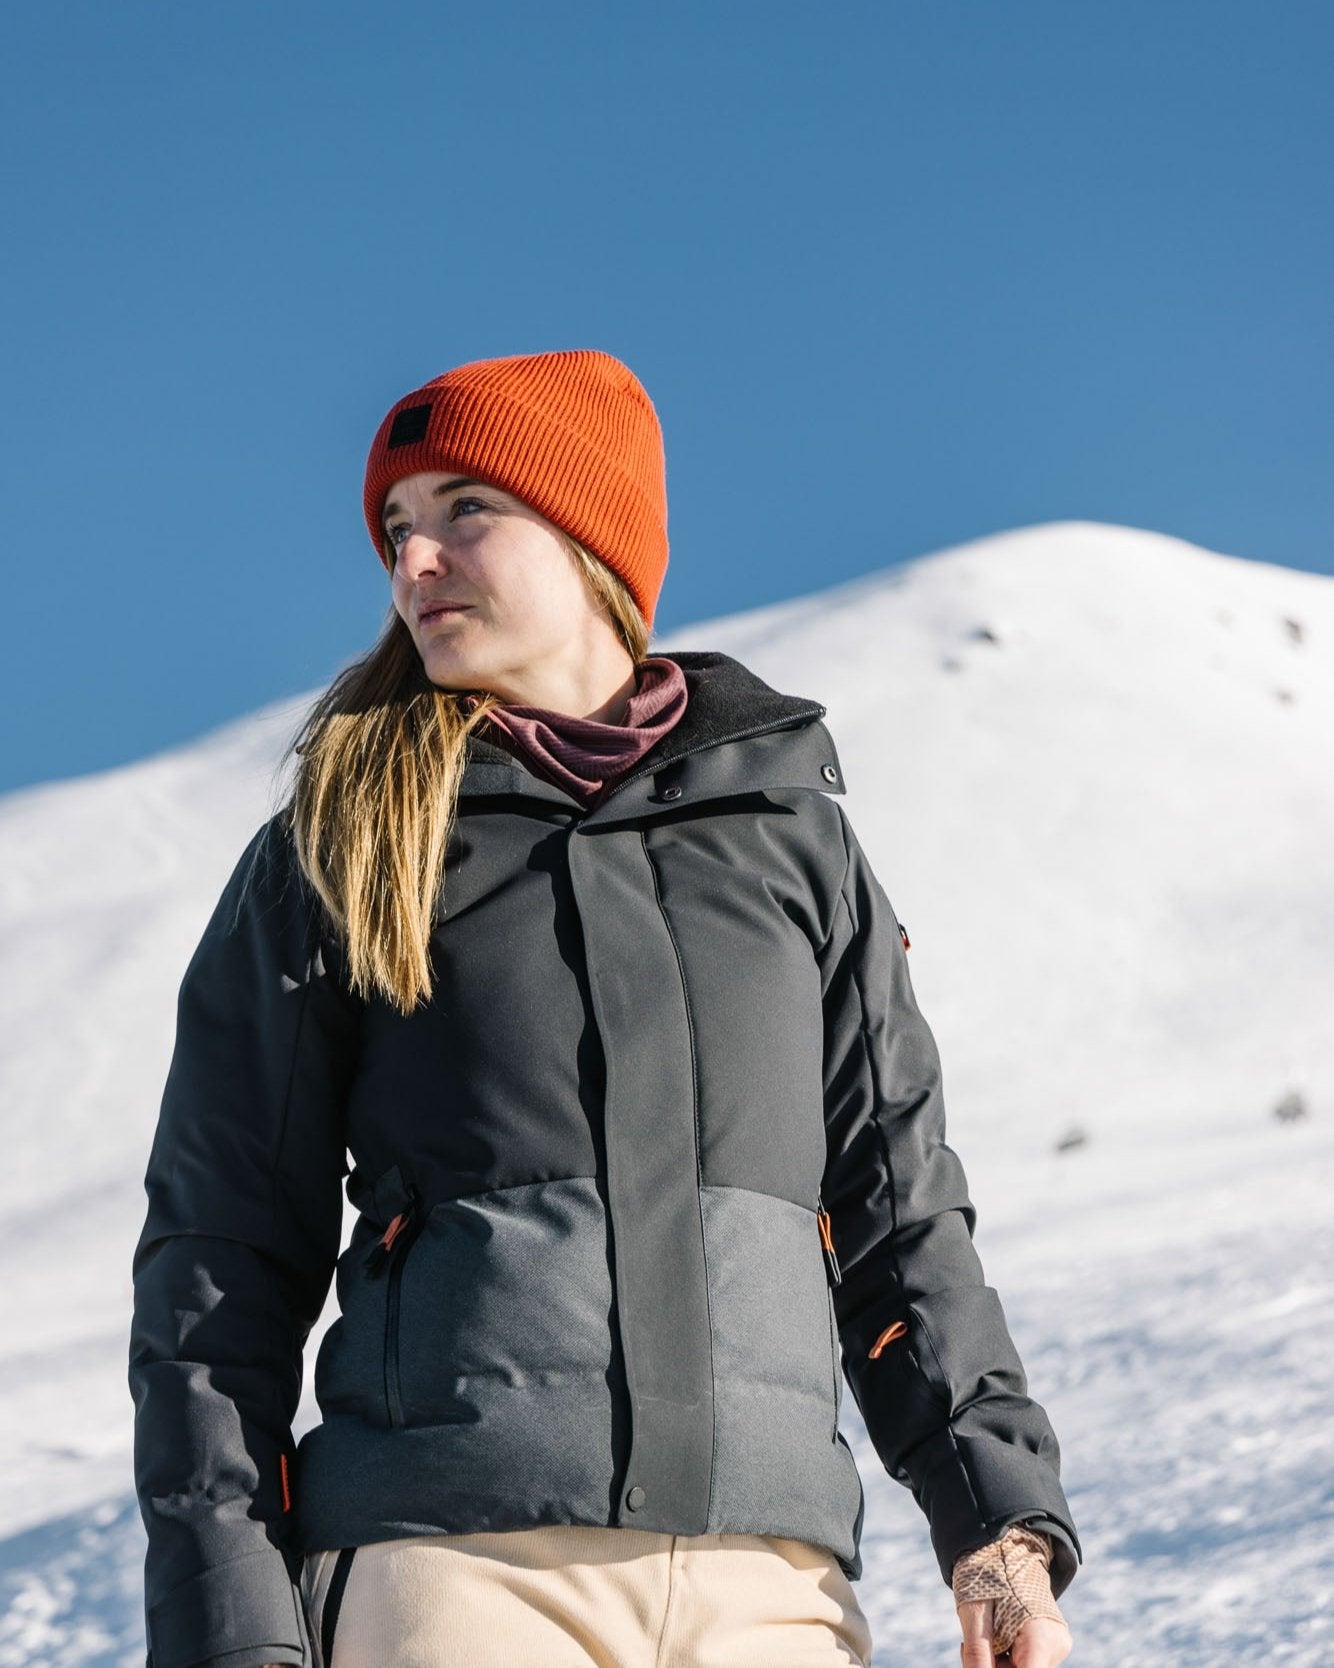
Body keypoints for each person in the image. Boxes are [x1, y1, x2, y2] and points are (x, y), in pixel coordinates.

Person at [129, 349, 1081, 1668]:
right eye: (396, 530)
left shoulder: (789, 846)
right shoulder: (342, 844)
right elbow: (217, 1265)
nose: (414, 563)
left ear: (589, 535)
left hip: (772, 1582)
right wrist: (228, 1618)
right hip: (454, 1574)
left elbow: (896, 1215)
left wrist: (999, 1534)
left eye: (463, 509)